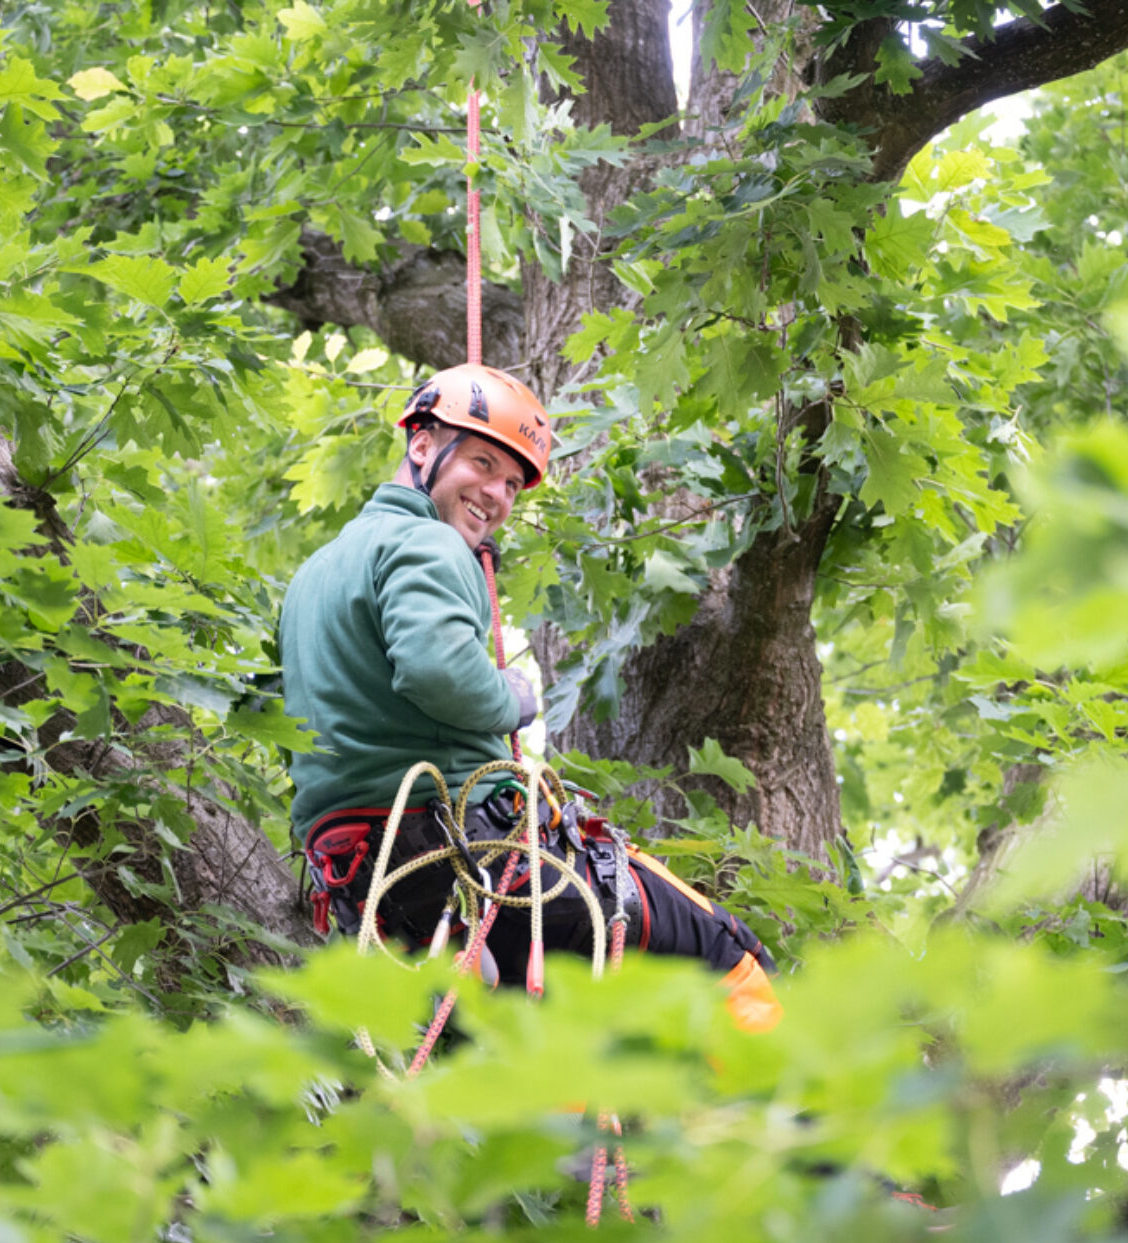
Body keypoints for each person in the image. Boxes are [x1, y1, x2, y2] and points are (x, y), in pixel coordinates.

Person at [280, 364, 781, 1033]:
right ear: (423, 444)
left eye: (512, 483)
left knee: (538, 1063)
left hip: (366, 886)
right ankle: (796, 1124)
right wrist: (512, 698)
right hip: (465, 849)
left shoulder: (314, 576)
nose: (496, 495)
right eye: (483, 463)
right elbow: (439, 674)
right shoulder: (425, 540)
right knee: (722, 956)